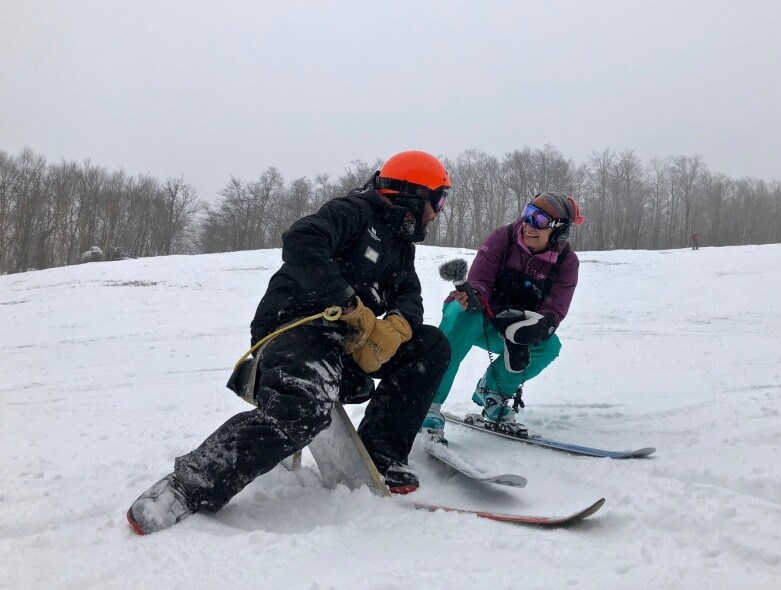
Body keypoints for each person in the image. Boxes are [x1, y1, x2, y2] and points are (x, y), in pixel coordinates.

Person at [126, 150, 452, 535]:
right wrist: (347, 302)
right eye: (438, 200)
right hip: (295, 329)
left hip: (345, 344)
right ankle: (188, 485)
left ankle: (381, 453)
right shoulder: (355, 212)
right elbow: (302, 240)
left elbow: (409, 295)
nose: (439, 211)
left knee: (430, 345)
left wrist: (396, 326)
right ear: (414, 195)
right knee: (304, 409)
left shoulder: (401, 246)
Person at [422, 192, 584, 442]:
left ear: (559, 230)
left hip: (513, 329)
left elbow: (555, 309)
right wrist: (475, 295)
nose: (529, 225)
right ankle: (428, 402)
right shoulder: (503, 238)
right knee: (461, 313)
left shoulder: (567, 263)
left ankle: (493, 391)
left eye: (539, 220)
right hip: (480, 316)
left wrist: (539, 326)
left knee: (548, 346)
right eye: (528, 214)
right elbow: (480, 279)